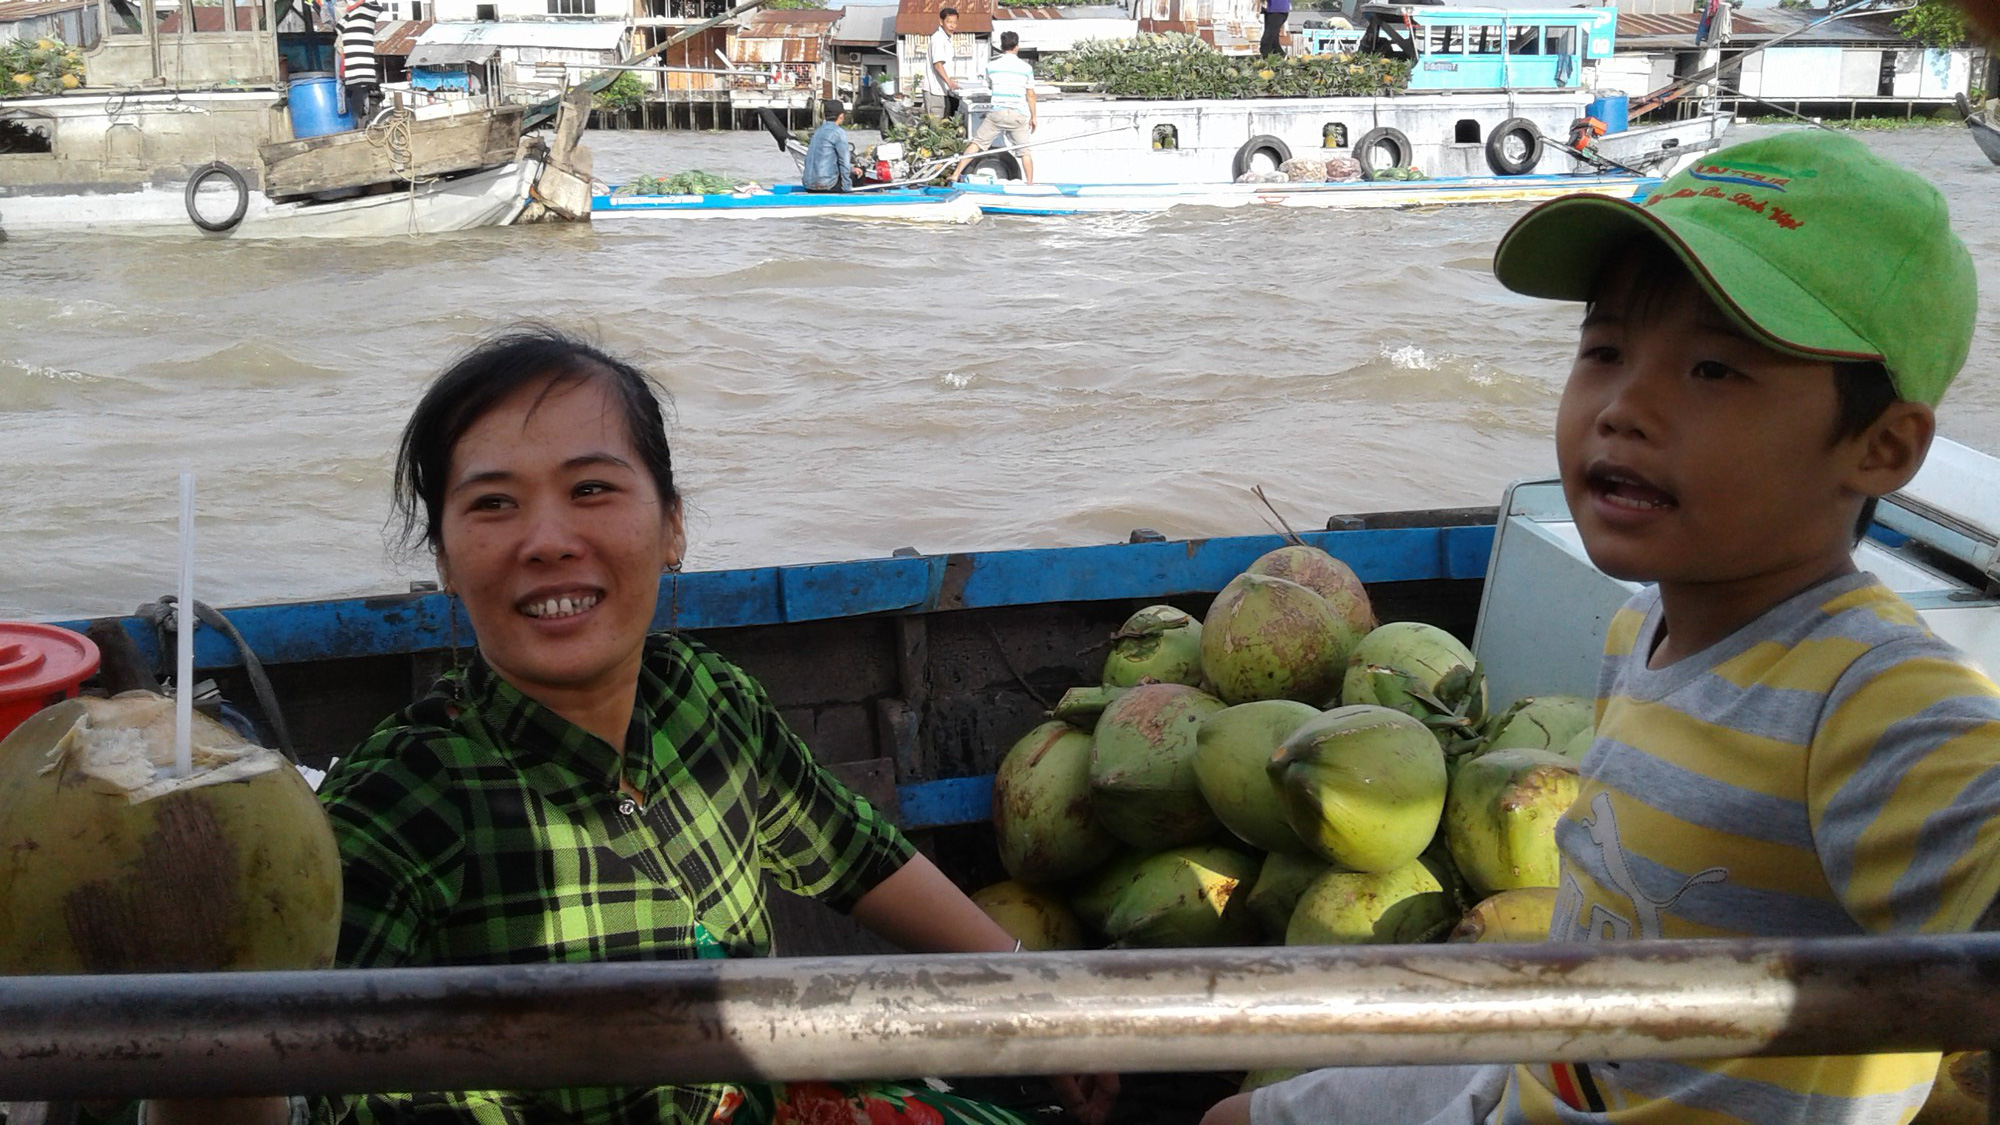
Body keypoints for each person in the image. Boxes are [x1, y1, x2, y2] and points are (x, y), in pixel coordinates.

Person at [1203, 131, 2000, 1125]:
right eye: (1605, 349)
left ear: (1879, 448)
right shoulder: (1643, 625)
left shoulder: (1873, 698)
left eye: (1712, 369)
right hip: (1555, 1067)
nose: (1622, 406)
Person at [143, 327, 1120, 1125]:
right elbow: (301, 1071)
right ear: (444, 559)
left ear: (672, 525)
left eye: (592, 489)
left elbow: (854, 857)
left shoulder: (707, 699)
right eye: (491, 504)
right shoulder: (400, 807)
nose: (547, 540)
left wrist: (1036, 998)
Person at [952, 31, 1035, 183]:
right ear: (1017, 46)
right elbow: (1030, 94)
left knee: (977, 143)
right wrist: (1034, 117)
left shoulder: (991, 66)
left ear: (1002, 47)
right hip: (1019, 114)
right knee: (1024, 152)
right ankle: (1030, 183)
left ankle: (956, 173)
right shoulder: (1026, 67)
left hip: (998, 112)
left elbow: (989, 87)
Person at [338, 0, 383, 121]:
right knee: (361, 97)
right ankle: (361, 119)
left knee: (357, 99)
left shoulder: (352, 16)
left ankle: (358, 119)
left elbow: (338, 27)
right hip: (364, 68)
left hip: (355, 67)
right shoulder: (369, 13)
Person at [803, 98, 857, 192]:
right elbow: (844, 162)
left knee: (851, 171)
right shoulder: (839, 132)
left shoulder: (818, 132)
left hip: (808, 185)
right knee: (860, 174)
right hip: (827, 185)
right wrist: (847, 188)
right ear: (841, 116)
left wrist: (851, 169)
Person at [925, 7, 961, 121]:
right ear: (941, 22)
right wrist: (949, 82)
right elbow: (938, 65)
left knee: (943, 126)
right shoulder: (938, 38)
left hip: (942, 90)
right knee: (936, 127)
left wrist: (950, 82)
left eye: (955, 23)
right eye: (949, 22)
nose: (952, 26)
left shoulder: (947, 39)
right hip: (934, 90)